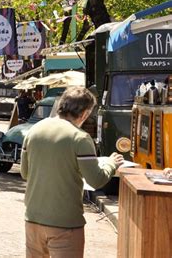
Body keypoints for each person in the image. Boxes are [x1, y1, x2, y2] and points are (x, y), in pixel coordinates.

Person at [20, 87, 124, 258]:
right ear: (84, 113)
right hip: (65, 222)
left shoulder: (34, 131)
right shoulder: (80, 138)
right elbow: (96, 179)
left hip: (33, 218)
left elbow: (25, 173)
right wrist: (111, 163)